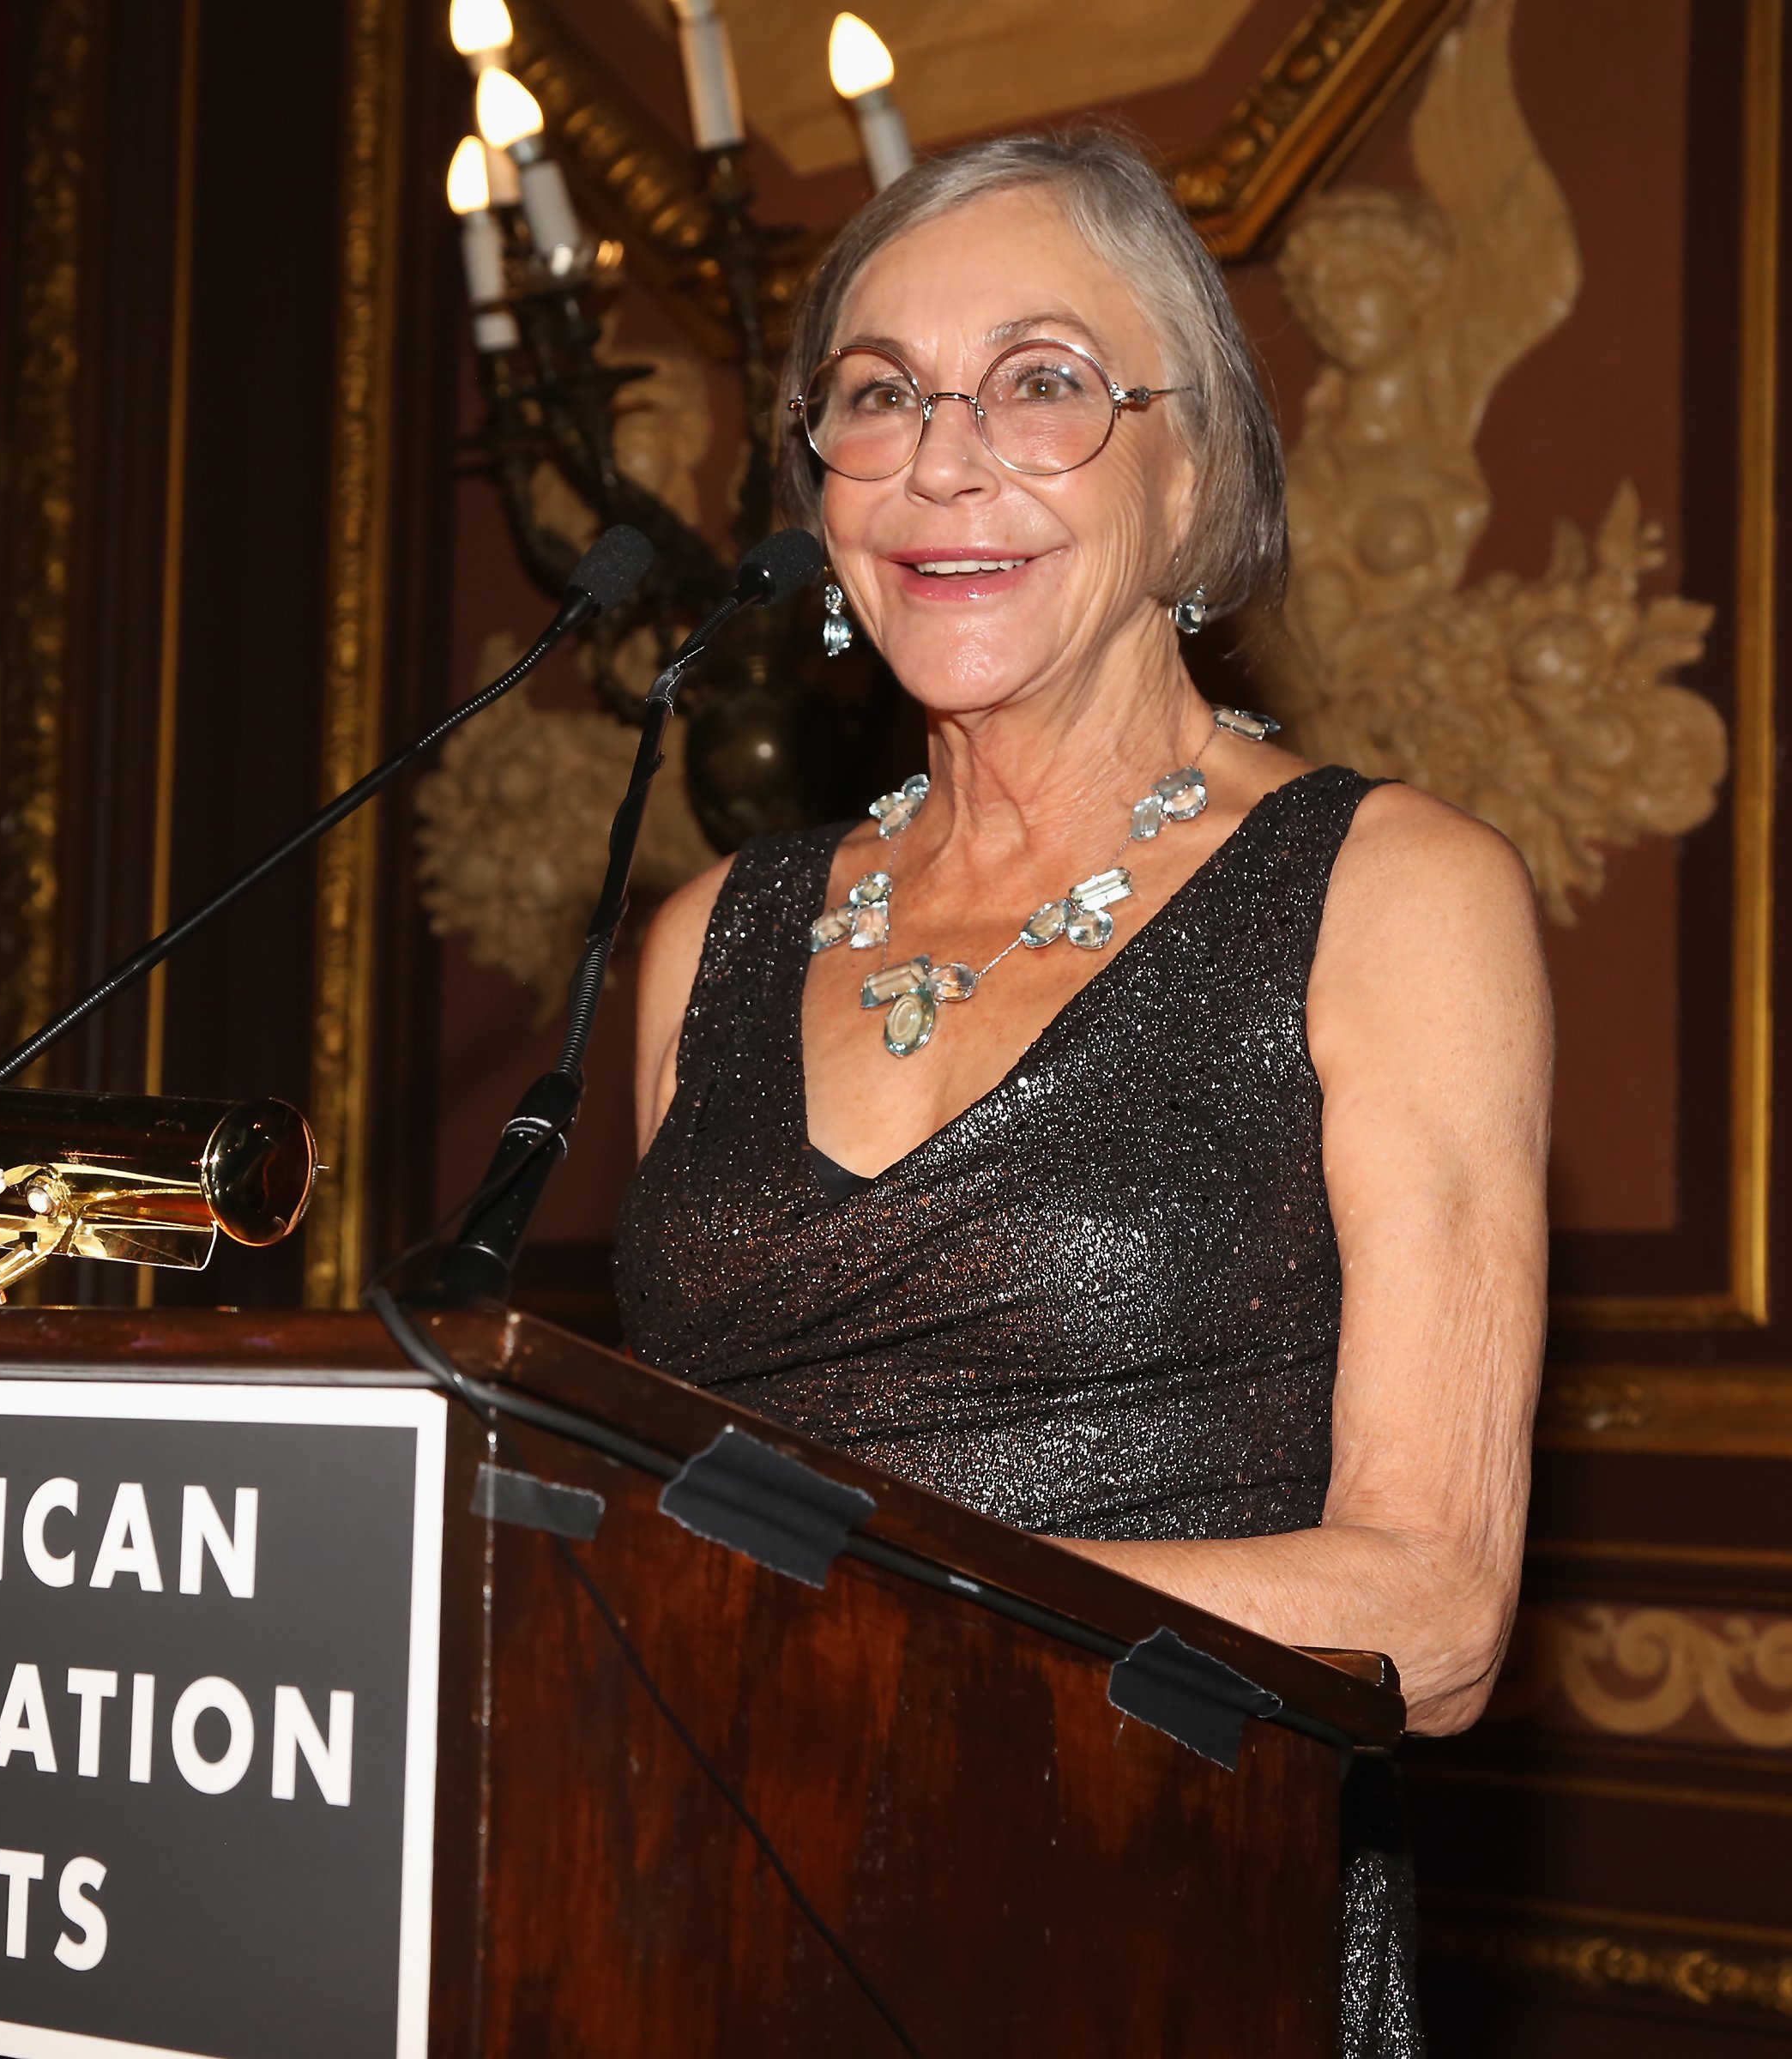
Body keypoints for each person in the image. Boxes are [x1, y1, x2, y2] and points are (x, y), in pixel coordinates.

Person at [613, 128, 1549, 2056]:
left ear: (1192, 472)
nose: (943, 459)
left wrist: (828, 1588)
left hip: (1151, 1930)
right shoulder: (708, 935)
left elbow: (1438, 1617)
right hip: (699, 1916)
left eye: (1040, 383)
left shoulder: (1393, 899)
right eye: (879, 399)